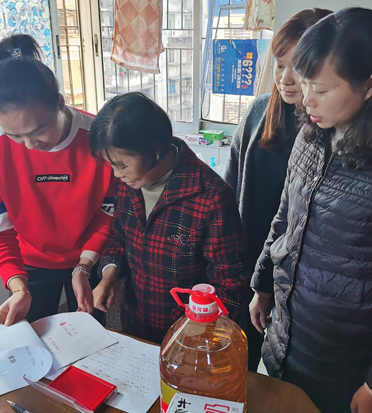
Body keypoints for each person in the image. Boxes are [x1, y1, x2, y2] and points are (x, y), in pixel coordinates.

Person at [249, 8, 372, 413]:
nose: (307, 99)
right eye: (305, 83)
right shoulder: (312, 135)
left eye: (322, 89)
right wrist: (263, 284)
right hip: (283, 337)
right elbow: (285, 218)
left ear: (371, 85)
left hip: (343, 367)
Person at [0, 34, 114, 326]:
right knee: (32, 337)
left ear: (59, 104)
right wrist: (17, 286)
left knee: (90, 332)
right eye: (14, 135)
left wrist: (84, 265)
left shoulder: (98, 138)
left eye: (38, 130)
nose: (29, 145)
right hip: (30, 265)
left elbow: (109, 212)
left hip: (90, 255)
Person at [88, 92, 251, 344]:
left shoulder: (211, 196)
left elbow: (230, 282)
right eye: (112, 165)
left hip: (189, 336)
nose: (117, 174)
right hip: (135, 324)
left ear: (154, 150)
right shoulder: (128, 184)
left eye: (122, 165)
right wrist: (109, 274)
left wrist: (205, 337)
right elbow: (120, 237)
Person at [224, 8, 332, 372]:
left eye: (297, 68)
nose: (286, 78)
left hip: (300, 276)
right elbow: (229, 186)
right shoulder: (258, 113)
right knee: (240, 354)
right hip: (248, 259)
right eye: (279, 64)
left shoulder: (329, 130)